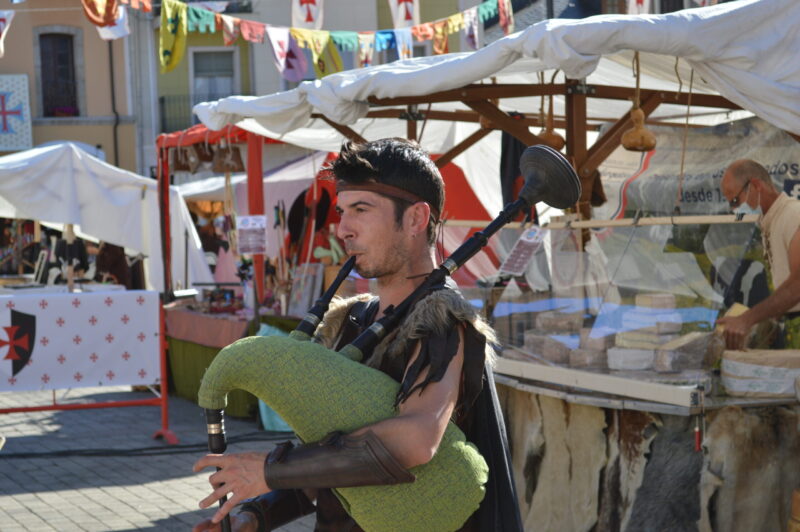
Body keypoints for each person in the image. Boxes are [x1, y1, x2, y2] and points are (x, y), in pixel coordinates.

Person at [192, 138, 523, 532]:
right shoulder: (351, 320)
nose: (343, 229)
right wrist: (257, 515)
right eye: (342, 211)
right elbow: (332, 460)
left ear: (417, 219)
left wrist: (271, 469)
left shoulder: (442, 319)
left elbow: (418, 438)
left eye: (361, 210)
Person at [717, 159, 800, 349]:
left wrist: (747, 319)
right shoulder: (769, 220)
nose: (734, 208)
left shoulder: (794, 215)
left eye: (735, 200)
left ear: (755, 185)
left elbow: (797, 284)